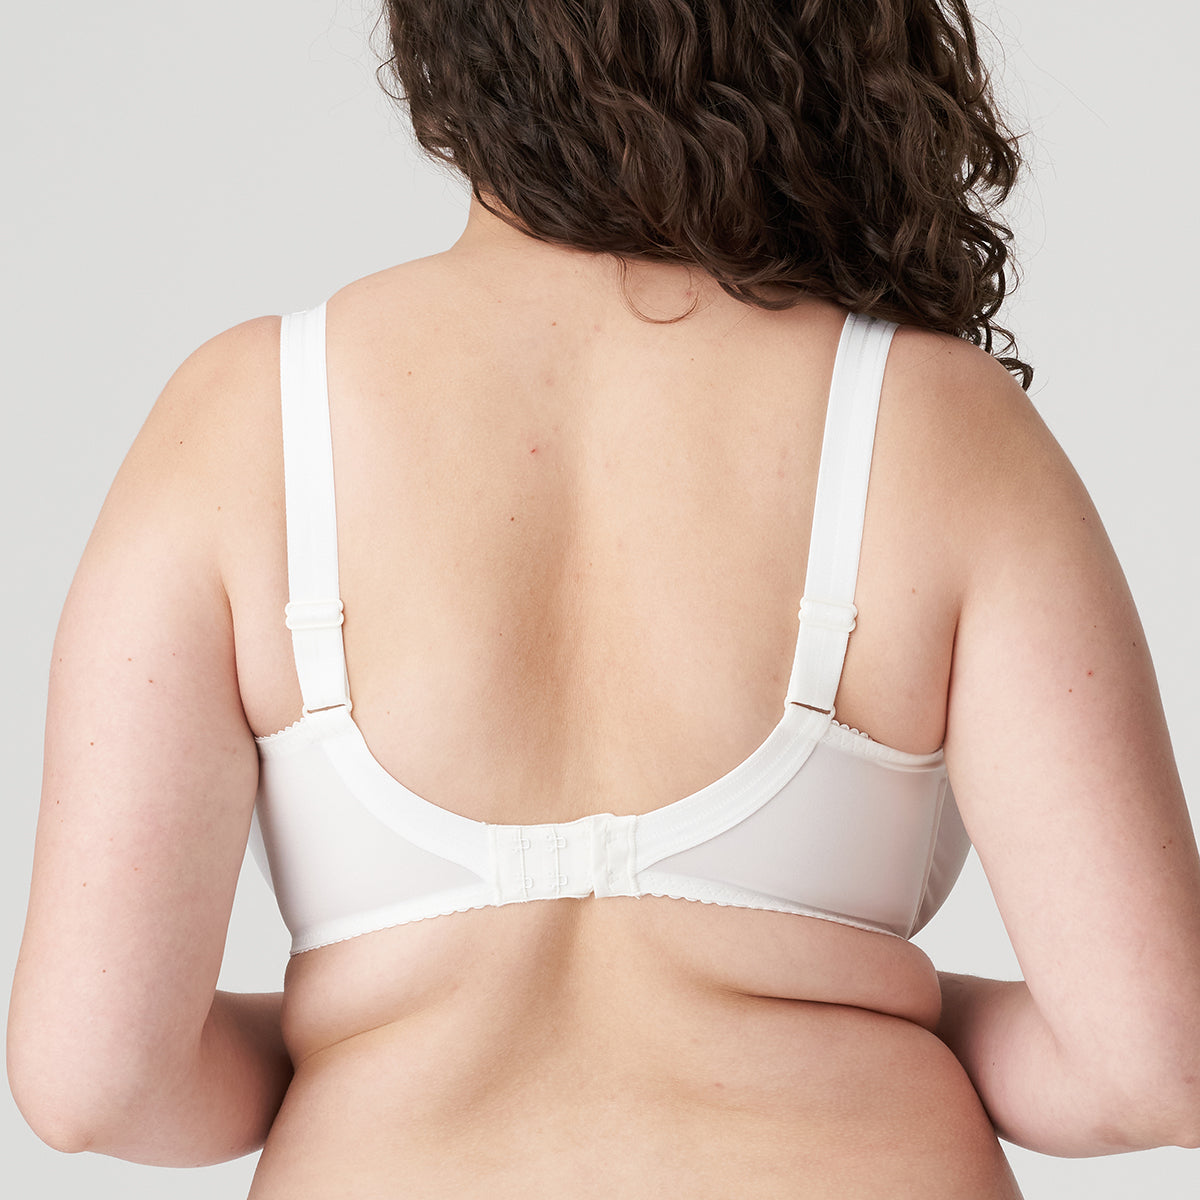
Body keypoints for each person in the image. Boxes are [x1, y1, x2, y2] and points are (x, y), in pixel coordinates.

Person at [8, 1, 1200, 1196]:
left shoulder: (240, 424)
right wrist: (869, 1011)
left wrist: (360, 1031)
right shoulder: (937, 423)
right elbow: (1159, 1064)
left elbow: (94, 1079)